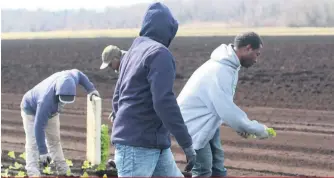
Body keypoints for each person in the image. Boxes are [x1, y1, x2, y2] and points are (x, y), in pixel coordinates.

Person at [111, 2, 196, 177]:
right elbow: (163, 101)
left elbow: (117, 96)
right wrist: (186, 143)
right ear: (168, 30)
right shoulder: (159, 53)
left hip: (151, 142)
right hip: (139, 147)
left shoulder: (133, 51)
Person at [176, 32, 276, 177]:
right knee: (203, 169)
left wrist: (240, 126)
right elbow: (227, 110)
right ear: (248, 48)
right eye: (257, 54)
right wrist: (256, 129)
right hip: (193, 124)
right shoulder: (220, 70)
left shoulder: (229, 65)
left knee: (218, 168)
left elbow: (224, 106)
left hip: (207, 121)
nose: (256, 59)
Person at [20, 69, 100, 176]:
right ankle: (33, 172)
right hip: (30, 110)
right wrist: (43, 152)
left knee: (54, 140)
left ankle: (63, 171)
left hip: (52, 110)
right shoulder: (45, 101)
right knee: (33, 142)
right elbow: (38, 126)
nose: (64, 104)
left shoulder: (72, 77)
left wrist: (91, 89)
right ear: (58, 94)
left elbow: (80, 74)